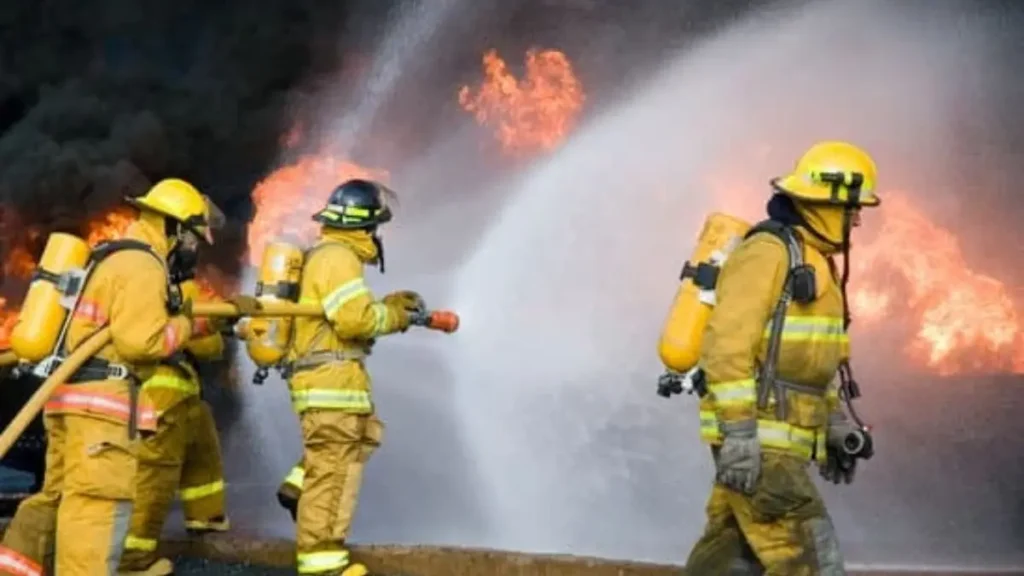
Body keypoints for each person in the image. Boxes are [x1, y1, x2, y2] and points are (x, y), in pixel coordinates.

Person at [0, 179, 220, 576]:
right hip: (101, 413)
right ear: (173, 227)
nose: (191, 249)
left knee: (57, 497)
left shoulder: (109, 256)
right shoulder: (143, 265)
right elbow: (142, 343)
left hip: (71, 400)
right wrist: (184, 324)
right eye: (191, 238)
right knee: (96, 508)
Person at [683, 141, 880, 575]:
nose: (858, 220)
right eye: (852, 211)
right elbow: (726, 345)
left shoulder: (818, 265)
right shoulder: (769, 253)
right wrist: (738, 434)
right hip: (758, 444)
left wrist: (831, 426)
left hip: (779, 445)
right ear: (828, 205)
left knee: (730, 559)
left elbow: (813, 364)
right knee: (812, 558)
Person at [285, 179, 424, 576]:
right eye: (375, 227)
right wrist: (397, 317)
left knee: (360, 439)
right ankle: (322, 565)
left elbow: (346, 313)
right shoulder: (337, 258)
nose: (377, 236)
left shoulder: (328, 256)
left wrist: (392, 305)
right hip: (331, 384)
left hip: (335, 382)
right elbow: (354, 320)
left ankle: (297, 486)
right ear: (364, 228)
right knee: (333, 472)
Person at [118, 275, 234, 576]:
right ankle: (133, 560)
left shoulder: (167, 285)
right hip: (157, 398)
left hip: (182, 393)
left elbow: (209, 346)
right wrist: (217, 317)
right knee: (154, 481)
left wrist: (225, 319)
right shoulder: (151, 286)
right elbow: (202, 343)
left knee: (203, 448)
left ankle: (205, 517)